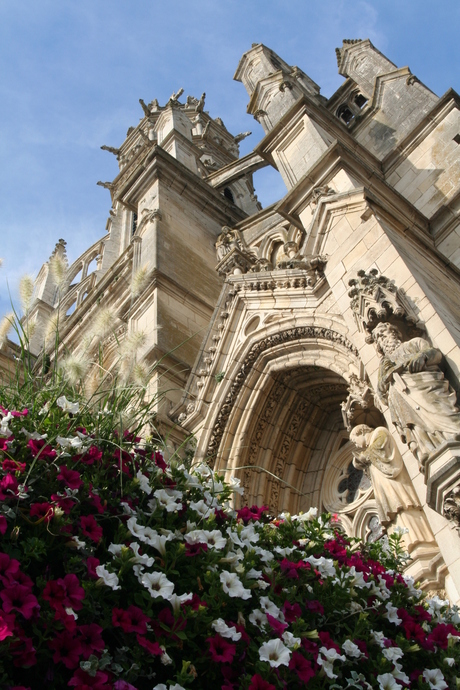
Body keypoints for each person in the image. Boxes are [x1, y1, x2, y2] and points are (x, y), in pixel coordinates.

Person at [372, 322, 460, 466]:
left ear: (395, 333)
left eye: (384, 334)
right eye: (379, 339)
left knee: (446, 416)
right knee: (418, 428)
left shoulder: (414, 343)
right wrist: (384, 379)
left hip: (426, 388)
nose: (383, 340)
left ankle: (453, 434)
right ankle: (429, 451)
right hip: (404, 401)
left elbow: (435, 354)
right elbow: (381, 396)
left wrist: (422, 357)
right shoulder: (384, 365)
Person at [350, 424, 435, 548]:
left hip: (394, 482)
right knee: (394, 512)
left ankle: (420, 539)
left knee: (402, 506)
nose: (356, 445)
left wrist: (362, 457)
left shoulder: (380, 432)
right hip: (384, 487)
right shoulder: (371, 443)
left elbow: (379, 450)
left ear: (361, 432)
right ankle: (405, 545)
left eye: (354, 440)